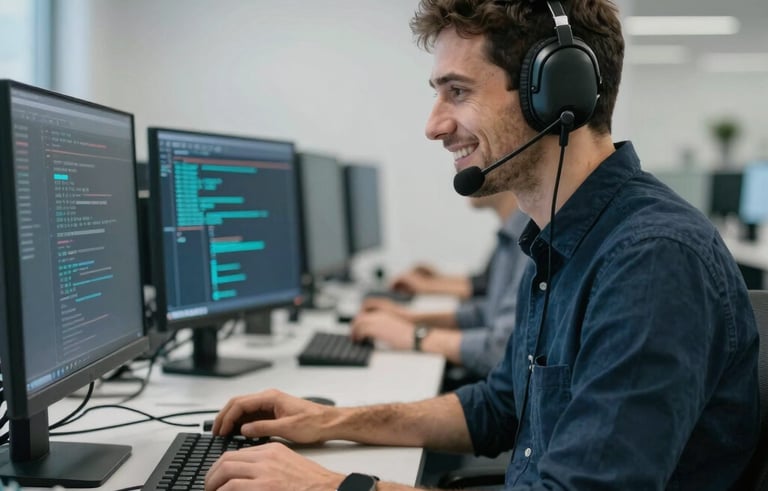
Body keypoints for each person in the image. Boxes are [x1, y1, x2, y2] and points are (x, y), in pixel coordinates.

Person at [205, 1, 759, 490]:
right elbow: (497, 405)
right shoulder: (557, 239)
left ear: (557, 95)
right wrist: (327, 421)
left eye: (459, 92)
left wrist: (331, 487)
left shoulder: (651, 260)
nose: (433, 125)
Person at [352, 191, 529, 381]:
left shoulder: (531, 238)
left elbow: (501, 350)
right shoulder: (511, 236)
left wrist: (414, 335)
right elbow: (489, 312)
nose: (458, 164)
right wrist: (409, 318)